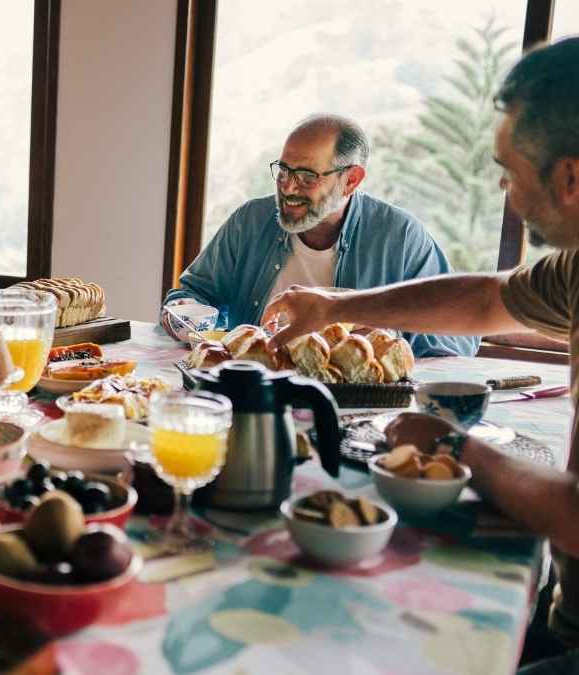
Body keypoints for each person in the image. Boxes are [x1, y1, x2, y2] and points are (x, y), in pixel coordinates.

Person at [264, 38, 579, 674]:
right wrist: (335, 307)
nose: (504, 188)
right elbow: (485, 299)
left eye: (510, 171)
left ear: (570, 179)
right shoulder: (574, 270)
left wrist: (455, 448)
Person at [162, 113, 478, 357]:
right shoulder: (250, 221)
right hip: (254, 389)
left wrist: (384, 332)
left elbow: (461, 338)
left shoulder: (400, 237)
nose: (288, 187)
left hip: (352, 402)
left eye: (306, 177)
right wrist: (183, 313)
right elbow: (192, 294)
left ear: (351, 180)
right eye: (283, 171)